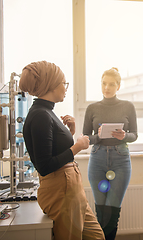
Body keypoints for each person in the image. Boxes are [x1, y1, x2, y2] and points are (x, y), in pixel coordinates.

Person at [20, 61, 105, 240]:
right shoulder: (41, 115)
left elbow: (53, 151)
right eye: (63, 83)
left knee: (96, 236)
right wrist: (78, 146)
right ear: (51, 84)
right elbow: (45, 165)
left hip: (70, 186)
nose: (66, 88)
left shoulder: (45, 112)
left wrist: (70, 133)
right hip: (61, 189)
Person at [83, 67, 138, 240]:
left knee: (112, 208)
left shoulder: (128, 106)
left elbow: (134, 135)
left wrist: (124, 136)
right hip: (97, 158)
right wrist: (97, 137)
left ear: (118, 86)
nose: (107, 87)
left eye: (111, 84)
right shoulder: (92, 108)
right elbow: (86, 138)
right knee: (101, 209)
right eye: (104, 83)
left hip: (120, 159)